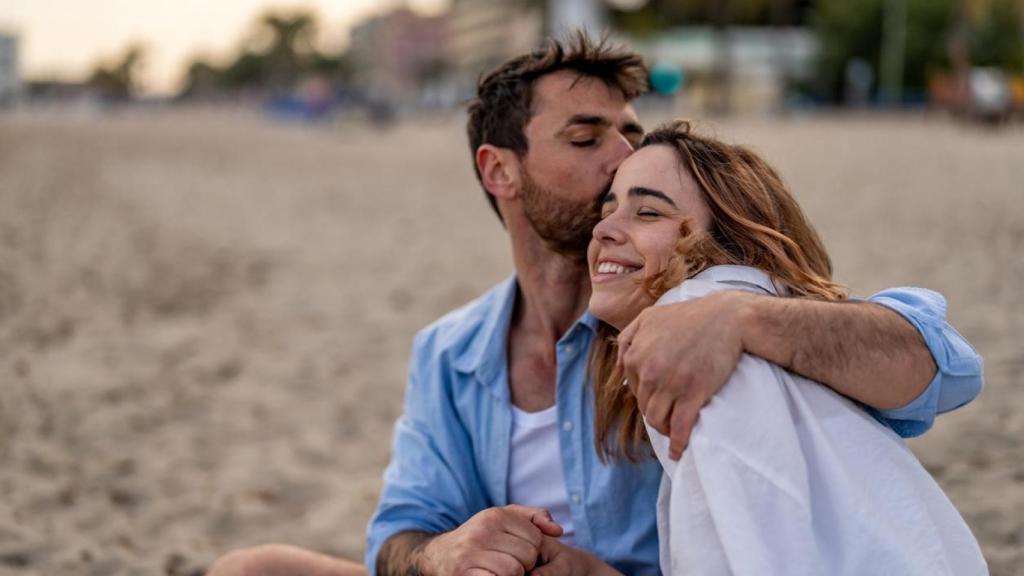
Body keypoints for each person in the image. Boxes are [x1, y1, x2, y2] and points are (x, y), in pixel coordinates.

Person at [207, 34, 983, 576]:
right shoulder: (450, 351)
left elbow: (941, 368)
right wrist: (445, 553)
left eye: (629, 133)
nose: (621, 155)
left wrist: (745, 319)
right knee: (253, 568)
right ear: (499, 171)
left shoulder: (687, 302)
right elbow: (397, 532)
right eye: (586, 139)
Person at [583, 121, 986, 575]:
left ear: (722, 242)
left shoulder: (695, 321)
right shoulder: (740, 316)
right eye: (607, 210)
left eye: (648, 213)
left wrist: (736, 317)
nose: (603, 231)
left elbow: (754, 548)